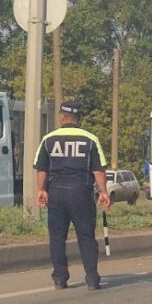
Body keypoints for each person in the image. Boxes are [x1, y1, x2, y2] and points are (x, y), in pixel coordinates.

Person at [34, 101, 112, 291]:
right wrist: (103, 192)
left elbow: (42, 168)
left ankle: (60, 277)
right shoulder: (90, 139)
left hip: (57, 191)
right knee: (86, 236)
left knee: (57, 237)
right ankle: (92, 278)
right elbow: (98, 169)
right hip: (81, 192)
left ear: (61, 116)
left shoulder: (49, 139)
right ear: (79, 118)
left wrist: (41, 189)